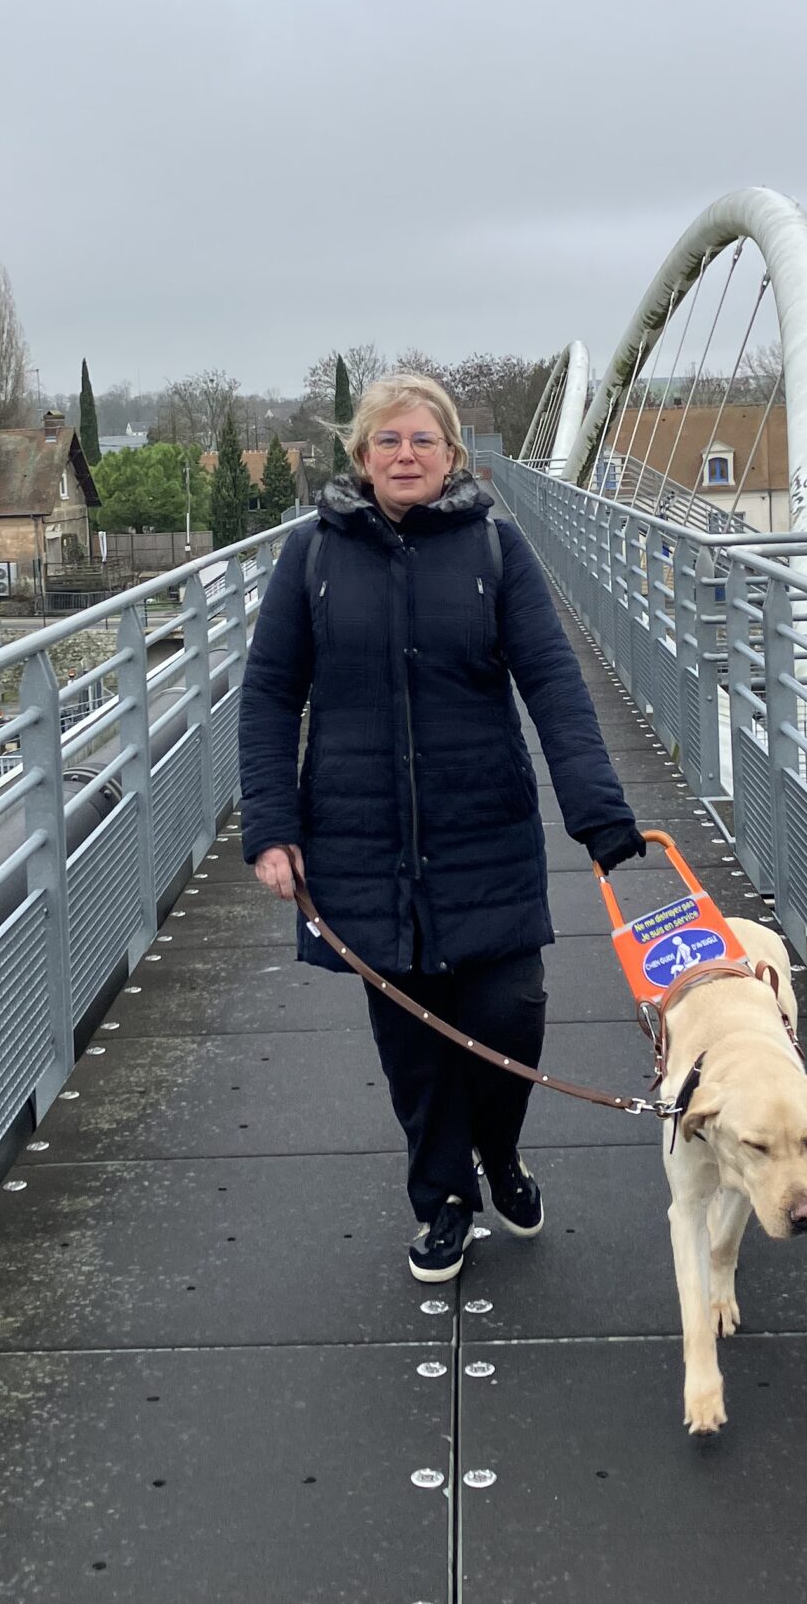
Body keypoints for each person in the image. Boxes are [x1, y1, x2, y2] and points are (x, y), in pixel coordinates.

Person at [239, 373, 644, 1283]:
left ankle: (499, 1149)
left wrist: (597, 810)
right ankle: (445, 1200)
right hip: (360, 839)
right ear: (361, 458)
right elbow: (269, 694)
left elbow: (553, 682)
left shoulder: (497, 549)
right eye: (388, 442)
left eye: (423, 441)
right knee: (413, 1043)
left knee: (512, 1013)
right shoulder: (311, 557)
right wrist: (270, 826)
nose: (406, 456)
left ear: (454, 454)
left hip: (483, 827)